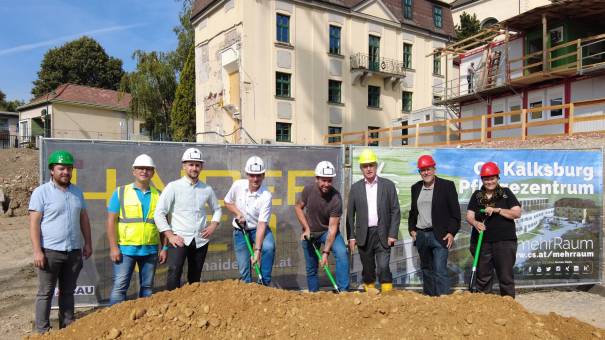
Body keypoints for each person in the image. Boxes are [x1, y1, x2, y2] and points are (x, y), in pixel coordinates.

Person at [28, 150, 92, 333]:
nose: (65, 172)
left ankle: (66, 328)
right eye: (61, 168)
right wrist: (37, 251)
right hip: (49, 252)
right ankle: (43, 331)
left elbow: (84, 219)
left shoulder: (77, 192)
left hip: (73, 252)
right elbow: (34, 223)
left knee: (68, 292)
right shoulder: (41, 192)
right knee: (45, 293)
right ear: (52, 170)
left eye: (69, 168)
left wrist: (87, 243)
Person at [154, 148, 222, 290]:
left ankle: (193, 308)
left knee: (195, 276)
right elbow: (159, 213)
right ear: (184, 166)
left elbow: (217, 209)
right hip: (179, 239)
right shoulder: (173, 187)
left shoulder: (207, 189)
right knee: (174, 273)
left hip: (200, 240)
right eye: (191, 164)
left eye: (197, 165)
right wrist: (170, 236)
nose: (194, 168)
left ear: (201, 167)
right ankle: (172, 306)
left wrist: (213, 225)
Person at [106, 154, 166, 305]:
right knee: (120, 288)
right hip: (126, 250)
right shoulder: (120, 192)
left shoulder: (159, 195)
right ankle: (115, 321)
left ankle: (143, 323)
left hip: (150, 250)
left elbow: (164, 224)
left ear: (153, 172)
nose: (144, 171)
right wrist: (113, 247)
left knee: (147, 289)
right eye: (140, 168)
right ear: (134, 171)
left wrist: (164, 248)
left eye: (148, 169)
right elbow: (111, 221)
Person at [347, 149, 400, 293]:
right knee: (368, 266)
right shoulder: (355, 188)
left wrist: (392, 233)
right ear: (361, 169)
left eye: (371, 165)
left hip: (383, 233)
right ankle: (370, 291)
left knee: (383, 265)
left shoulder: (388, 185)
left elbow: (395, 210)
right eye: (365, 166)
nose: (369, 169)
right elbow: (350, 215)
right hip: (364, 234)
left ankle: (387, 292)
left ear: (376, 166)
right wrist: (351, 236)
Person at [466, 161, 522, 298]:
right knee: (483, 277)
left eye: (492, 178)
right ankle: (486, 307)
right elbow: (469, 216)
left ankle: (509, 306)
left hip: (504, 242)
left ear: (498, 178)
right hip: (481, 242)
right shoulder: (477, 195)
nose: (489, 181)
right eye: (486, 179)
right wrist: (475, 223)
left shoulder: (506, 193)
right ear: (482, 180)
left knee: (505, 276)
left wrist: (497, 210)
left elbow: (516, 213)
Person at [408, 155, 460, 296]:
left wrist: (451, 232)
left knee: (439, 270)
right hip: (421, 236)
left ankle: (442, 301)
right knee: (426, 270)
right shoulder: (416, 188)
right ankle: (430, 302)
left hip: (439, 235)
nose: (426, 173)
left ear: (434, 169)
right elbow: (413, 212)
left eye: (428, 169)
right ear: (419, 172)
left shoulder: (447, 186)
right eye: (422, 170)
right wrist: (412, 230)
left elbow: (455, 214)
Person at [295, 161, 349, 292]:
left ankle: (343, 291)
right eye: (323, 180)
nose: (326, 184)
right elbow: (298, 207)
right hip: (311, 232)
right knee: (311, 267)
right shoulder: (308, 190)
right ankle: (314, 294)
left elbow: (332, 228)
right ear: (316, 179)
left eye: (329, 181)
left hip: (327, 231)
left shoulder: (336, 198)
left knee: (342, 253)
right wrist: (306, 228)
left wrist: (325, 252)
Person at [224, 156, 275, 285]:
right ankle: (247, 287)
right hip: (240, 231)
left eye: (258, 175)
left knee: (269, 247)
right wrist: (238, 213)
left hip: (258, 228)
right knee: (244, 266)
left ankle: (264, 284)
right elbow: (227, 202)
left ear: (263, 175)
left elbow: (262, 224)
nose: (255, 179)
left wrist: (257, 251)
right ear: (247, 174)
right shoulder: (237, 185)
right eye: (252, 175)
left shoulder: (266, 196)